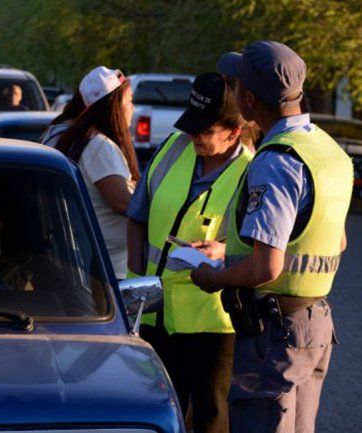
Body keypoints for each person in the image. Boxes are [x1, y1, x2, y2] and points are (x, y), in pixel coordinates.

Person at [190, 41, 353, 433]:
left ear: (247, 99)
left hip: (275, 334)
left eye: (233, 84)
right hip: (315, 324)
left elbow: (266, 265)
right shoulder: (325, 149)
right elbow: (339, 241)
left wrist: (215, 278)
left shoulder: (276, 160)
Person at [126, 72, 254, 433]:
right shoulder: (172, 148)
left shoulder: (252, 172)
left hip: (211, 324)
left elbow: (265, 244)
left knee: (211, 417)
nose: (194, 136)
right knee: (154, 415)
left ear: (234, 132)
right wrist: (138, 284)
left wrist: (223, 249)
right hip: (153, 315)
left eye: (205, 130)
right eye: (191, 126)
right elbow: (137, 217)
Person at [56, 66, 139, 279]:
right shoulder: (100, 146)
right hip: (107, 270)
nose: (133, 108)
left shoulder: (80, 138)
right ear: (114, 105)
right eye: (129, 101)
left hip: (92, 262)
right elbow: (122, 202)